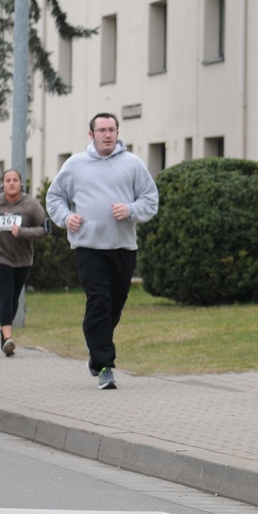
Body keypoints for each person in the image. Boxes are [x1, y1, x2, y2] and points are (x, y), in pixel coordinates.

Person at [46, 112, 159, 390]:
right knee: (98, 301)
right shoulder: (75, 164)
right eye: (102, 130)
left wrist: (130, 209)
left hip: (122, 246)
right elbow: (54, 197)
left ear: (118, 133)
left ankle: (95, 354)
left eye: (112, 130)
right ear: (91, 134)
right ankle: (106, 366)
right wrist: (66, 218)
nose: (107, 135)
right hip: (88, 245)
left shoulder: (132, 164)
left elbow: (150, 200)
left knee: (114, 306)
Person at [0, 169, 48, 356]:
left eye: (15, 179)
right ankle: (8, 339)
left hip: (22, 258)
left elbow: (45, 229)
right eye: (7, 180)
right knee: (5, 295)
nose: (11, 183)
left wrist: (24, 232)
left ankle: (3, 330)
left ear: (21, 183)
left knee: (14, 298)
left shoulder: (30, 204)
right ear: (2, 184)